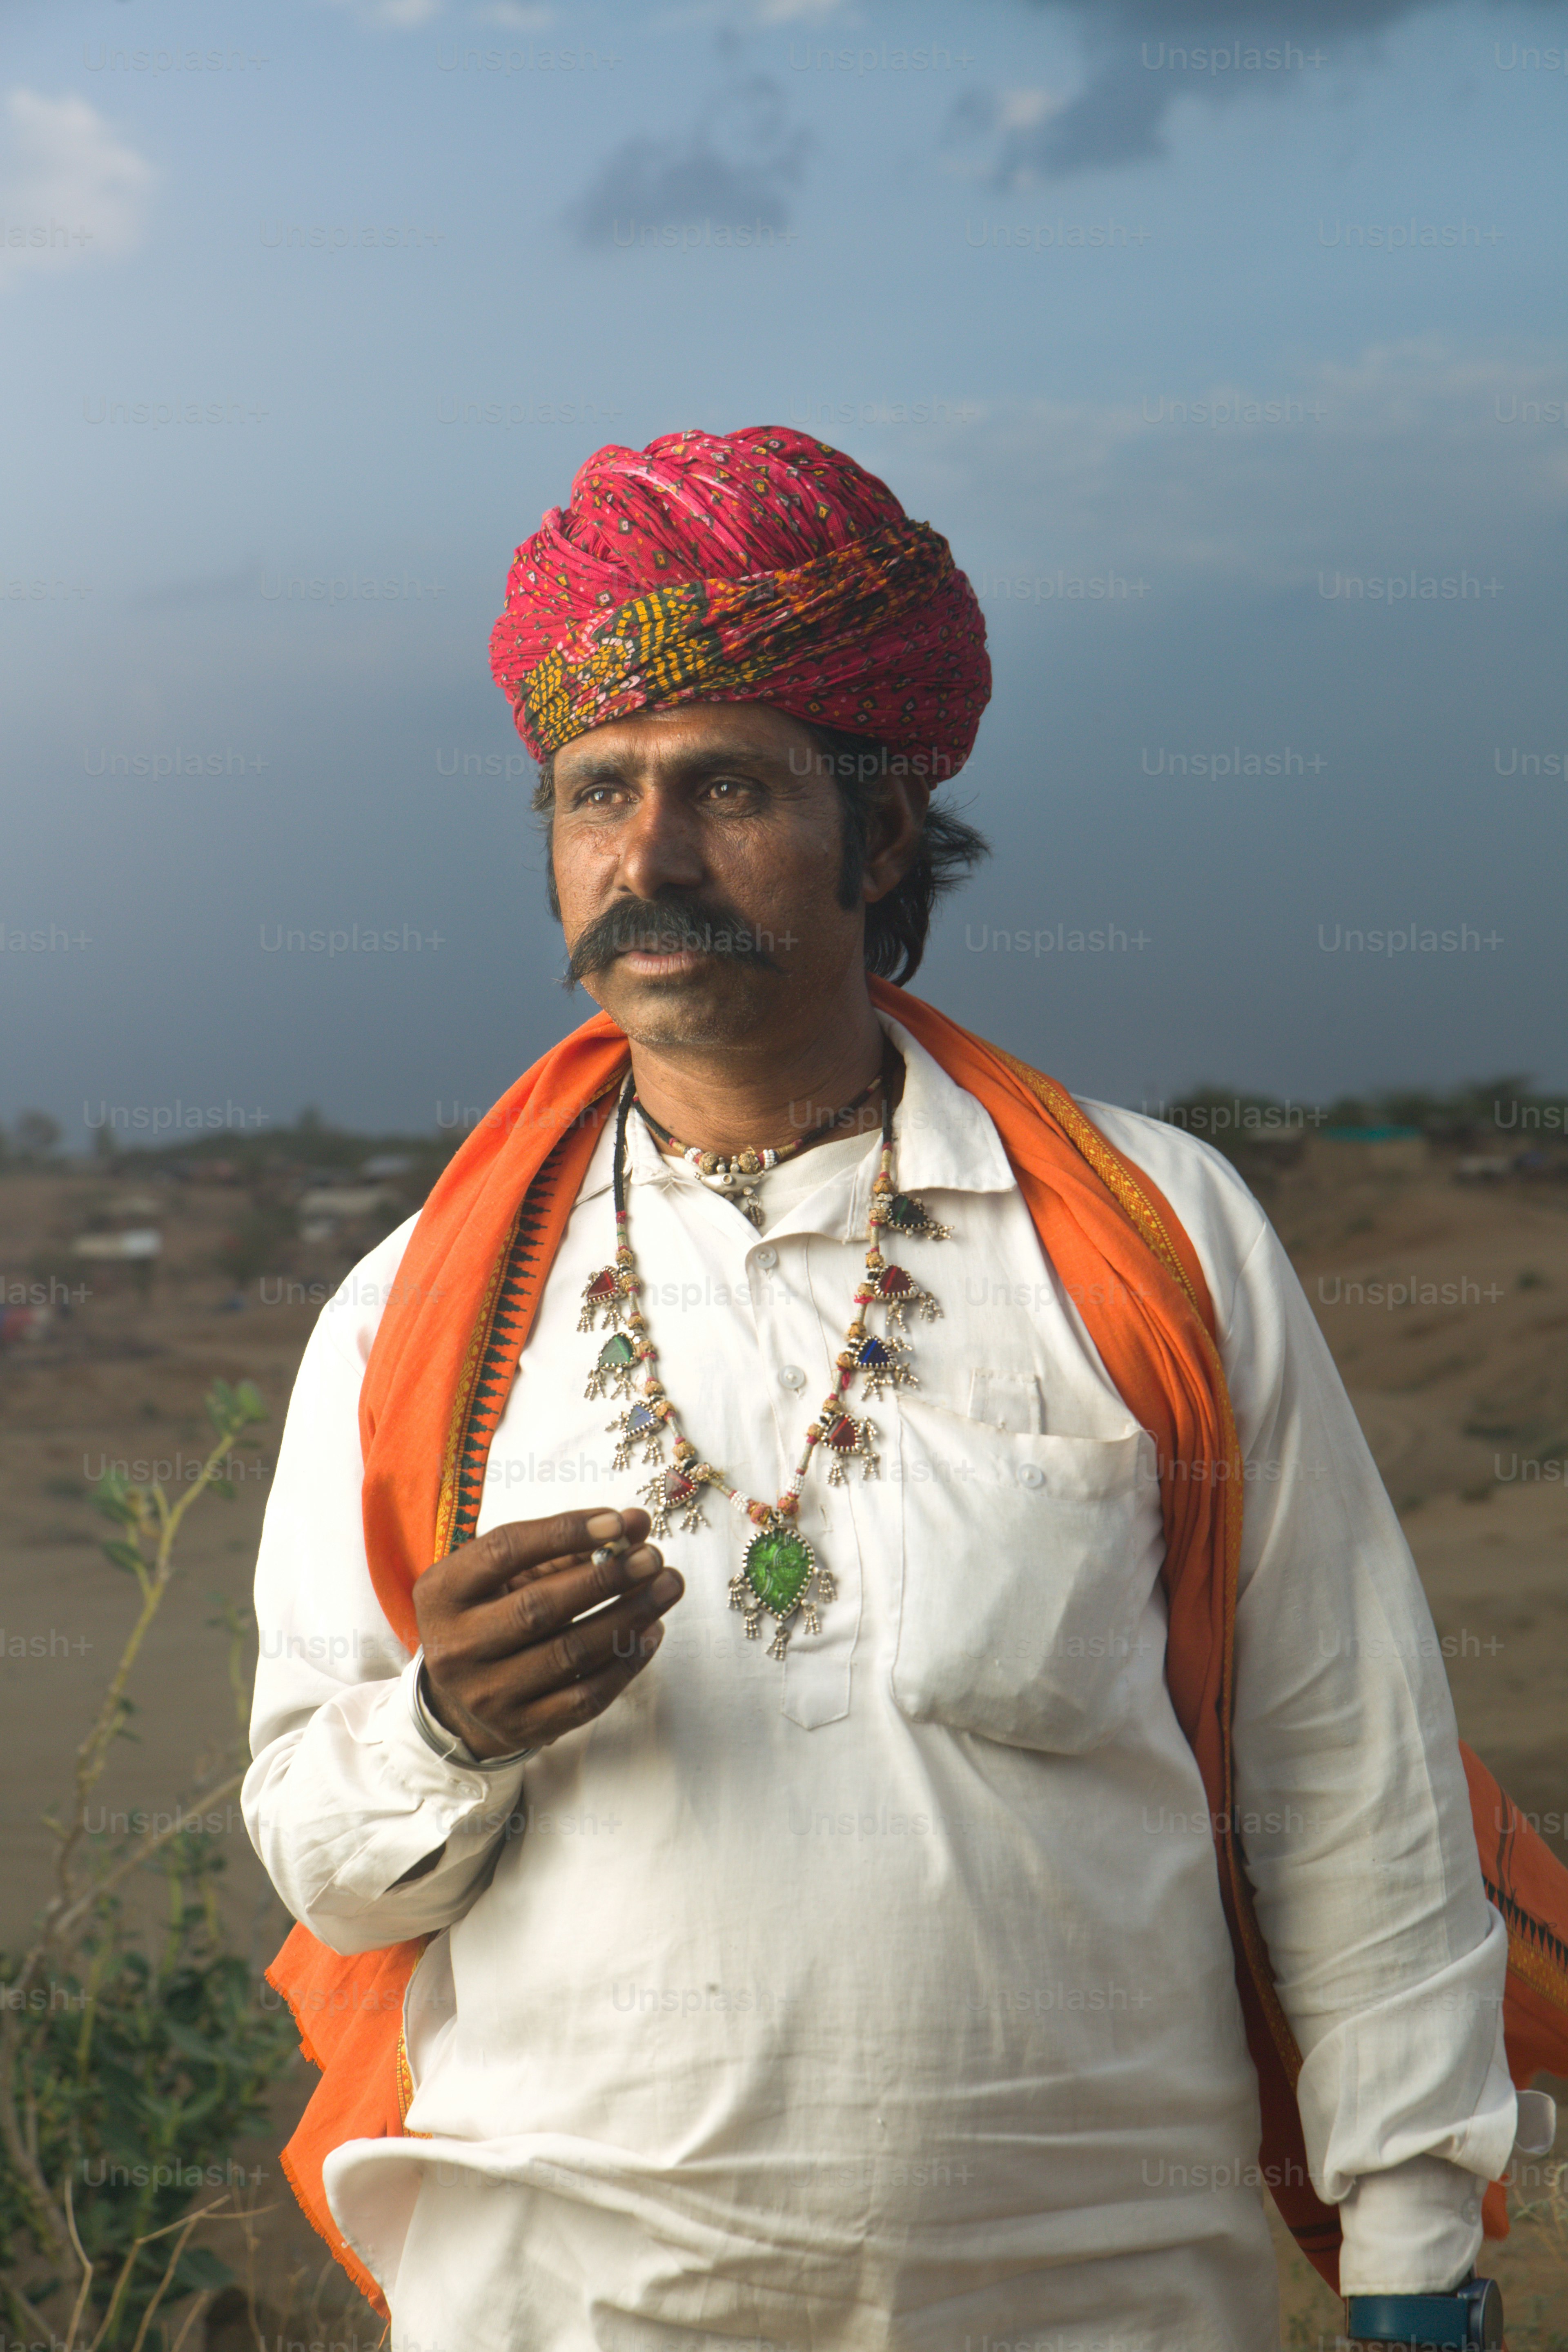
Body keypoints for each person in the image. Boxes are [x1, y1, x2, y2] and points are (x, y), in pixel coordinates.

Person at [245, 428, 1554, 2352]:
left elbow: (1339, 1768)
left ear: (882, 837)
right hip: (568, 2301)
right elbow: (322, 1864)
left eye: (730, 789)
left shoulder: (1149, 1235)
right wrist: (444, 1728)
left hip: (1098, 2297)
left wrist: (1417, 2258)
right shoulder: (417, 1314)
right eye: (597, 792)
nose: (651, 856)